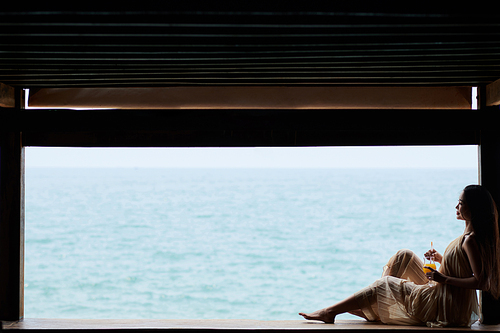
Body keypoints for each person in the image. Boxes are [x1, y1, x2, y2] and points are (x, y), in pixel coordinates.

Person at [299, 185, 500, 327]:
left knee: (383, 284)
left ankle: (330, 312)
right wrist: (441, 259)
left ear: (472, 209)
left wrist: (442, 278)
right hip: (444, 293)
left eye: (460, 203)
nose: (456, 207)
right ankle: (376, 309)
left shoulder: (470, 240)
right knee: (404, 256)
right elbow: (463, 264)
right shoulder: (468, 237)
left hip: (444, 306)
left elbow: (481, 282)